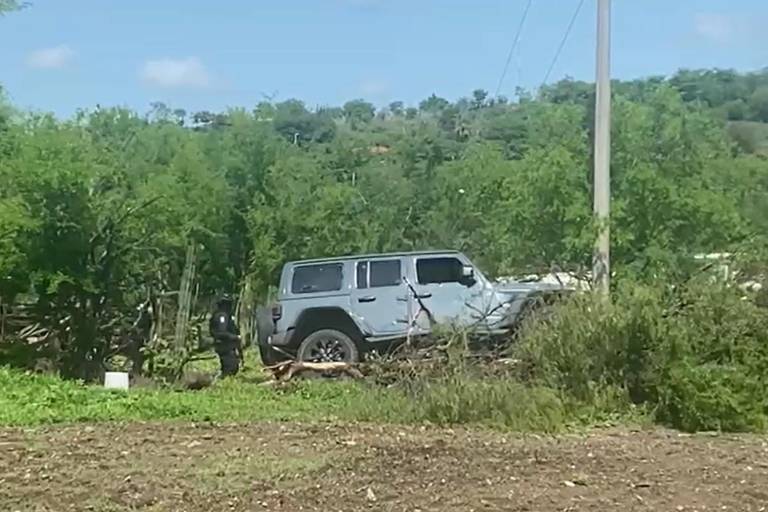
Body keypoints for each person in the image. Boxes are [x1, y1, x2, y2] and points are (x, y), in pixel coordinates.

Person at [208, 294, 243, 377]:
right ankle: (221, 378)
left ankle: (224, 377)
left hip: (227, 344)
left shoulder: (227, 316)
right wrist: (234, 337)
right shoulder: (221, 316)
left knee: (233, 366)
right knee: (231, 367)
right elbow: (221, 332)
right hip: (223, 344)